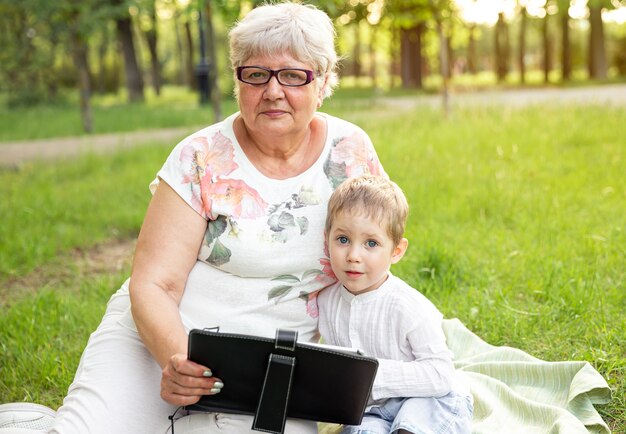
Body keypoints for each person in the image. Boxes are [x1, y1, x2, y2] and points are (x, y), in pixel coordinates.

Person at [0, 3, 385, 434]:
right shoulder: (200, 156)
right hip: (160, 338)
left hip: (273, 365)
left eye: (293, 75)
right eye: (255, 74)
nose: (273, 91)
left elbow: (379, 253)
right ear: (237, 80)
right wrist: (176, 360)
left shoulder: (350, 151)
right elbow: (153, 282)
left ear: (324, 81)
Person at [317, 175, 473, 434]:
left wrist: (372, 375)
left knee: (413, 425)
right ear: (327, 238)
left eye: (371, 243)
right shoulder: (326, 301)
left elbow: (440, 374)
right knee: (360, 431)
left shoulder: (407, 306)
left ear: (396, 251)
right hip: (371, 410)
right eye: (343, 239)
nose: (353, 256)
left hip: (429, 397)